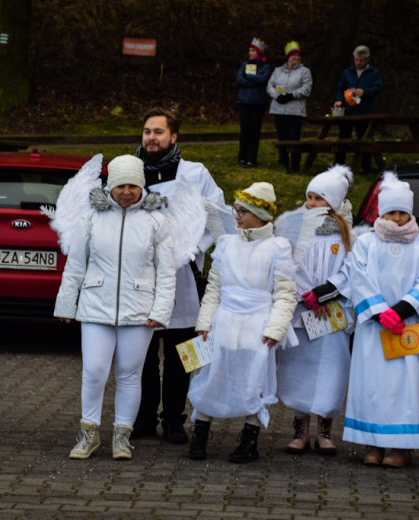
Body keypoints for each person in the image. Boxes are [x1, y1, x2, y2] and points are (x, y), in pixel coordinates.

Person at [313, 171, 419, 468]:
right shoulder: (366, 243)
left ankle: (401, 446)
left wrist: (400, 311)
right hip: (375, 327)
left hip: (407, 326)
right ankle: (373, 441)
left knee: (405, 384)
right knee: (373, 383)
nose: (396, 217)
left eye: (402, 212)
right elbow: (359, 279)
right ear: (381, 212)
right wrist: (381, 312)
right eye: (391, 211)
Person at [55, 154, 176, 460]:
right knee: (94, 371)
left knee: (129, 374)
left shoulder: (156, 221)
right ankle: (89, 433)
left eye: (133, 186)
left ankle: (122, 435)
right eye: (120, 185)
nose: (126, 191)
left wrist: (160, 311)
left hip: (139, 311)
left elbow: (166, 272)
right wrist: (67, 304)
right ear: (110, 186)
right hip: (96, 305)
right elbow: (76, 265)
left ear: (142, 186)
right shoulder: (91, 218)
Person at [131, 108, 225, 444]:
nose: (151, 138)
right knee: (139, 352)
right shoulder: (129, 171)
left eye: (158, 132)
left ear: (173, 137)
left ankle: (173, 419)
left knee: (180, 354)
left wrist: (190, 250)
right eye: (146, 131)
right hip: (138, 276)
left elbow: (217, 217)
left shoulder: (195, 174)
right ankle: (142, 418)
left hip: (183, 275)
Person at [188, 182, 298, 463]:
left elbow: (285, 294)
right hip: (224, 321)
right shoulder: (227, 243)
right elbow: (214, 287)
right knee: (213, 375)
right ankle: (200, 434)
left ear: (260, 215)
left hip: (258, 325)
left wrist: (275, 328)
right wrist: (205, 322)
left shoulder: (278, 247)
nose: (235, 216)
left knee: (254, 380)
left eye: (242, 211)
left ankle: (250, 440)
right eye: (235, 210)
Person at [278, 165, 355, 455]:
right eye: (308, 197)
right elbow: (289, 264)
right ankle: (300, 430)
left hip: (332, 315)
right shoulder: (294, 230)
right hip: (302, 315)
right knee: (299, 370)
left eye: (318, 199)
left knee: (331, 370)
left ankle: (325, 431)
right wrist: (307, 294)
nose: (310, 204)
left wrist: (324, 295)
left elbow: (350, 271)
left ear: (333, 203)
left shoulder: (347, 236)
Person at [333, 46, 382, 173]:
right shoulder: (347, 72)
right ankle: (338, 167)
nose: (358, 63)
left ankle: (366, 167)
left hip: (364, 111)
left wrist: (365, 92)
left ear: (367, 59)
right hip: (348, 111)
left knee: (364, 139)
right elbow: (340, 88)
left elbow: (377, 89)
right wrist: (339, 100)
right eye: (356, 60)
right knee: (343, 139)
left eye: (361, 60)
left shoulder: (374, 73)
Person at [267, 41, 312, 172]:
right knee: (282, 138)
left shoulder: (304, 71)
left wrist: (292, 95)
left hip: (295, 110)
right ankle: (283, 162)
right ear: (288, 57)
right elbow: (270, 86)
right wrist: (277, 96)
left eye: (298, 55)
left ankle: (295, 165)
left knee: (294, 139)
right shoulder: (277, 71)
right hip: (279, 109)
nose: (296, 57)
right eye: (294, 55)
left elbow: (306, 88)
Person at [236, 38, 271, 168]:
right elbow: (239, 79)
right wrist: (254, 81)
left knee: (254, 131)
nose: (250, 53)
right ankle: (242, 157)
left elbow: (263, 79)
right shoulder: (244, 65)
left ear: (259, 52)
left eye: (252, 50)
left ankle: (251, 158)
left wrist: (249, 77)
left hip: (258, 102)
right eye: (249, 50)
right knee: (244, 130)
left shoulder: (265, 66)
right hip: (244, 101)